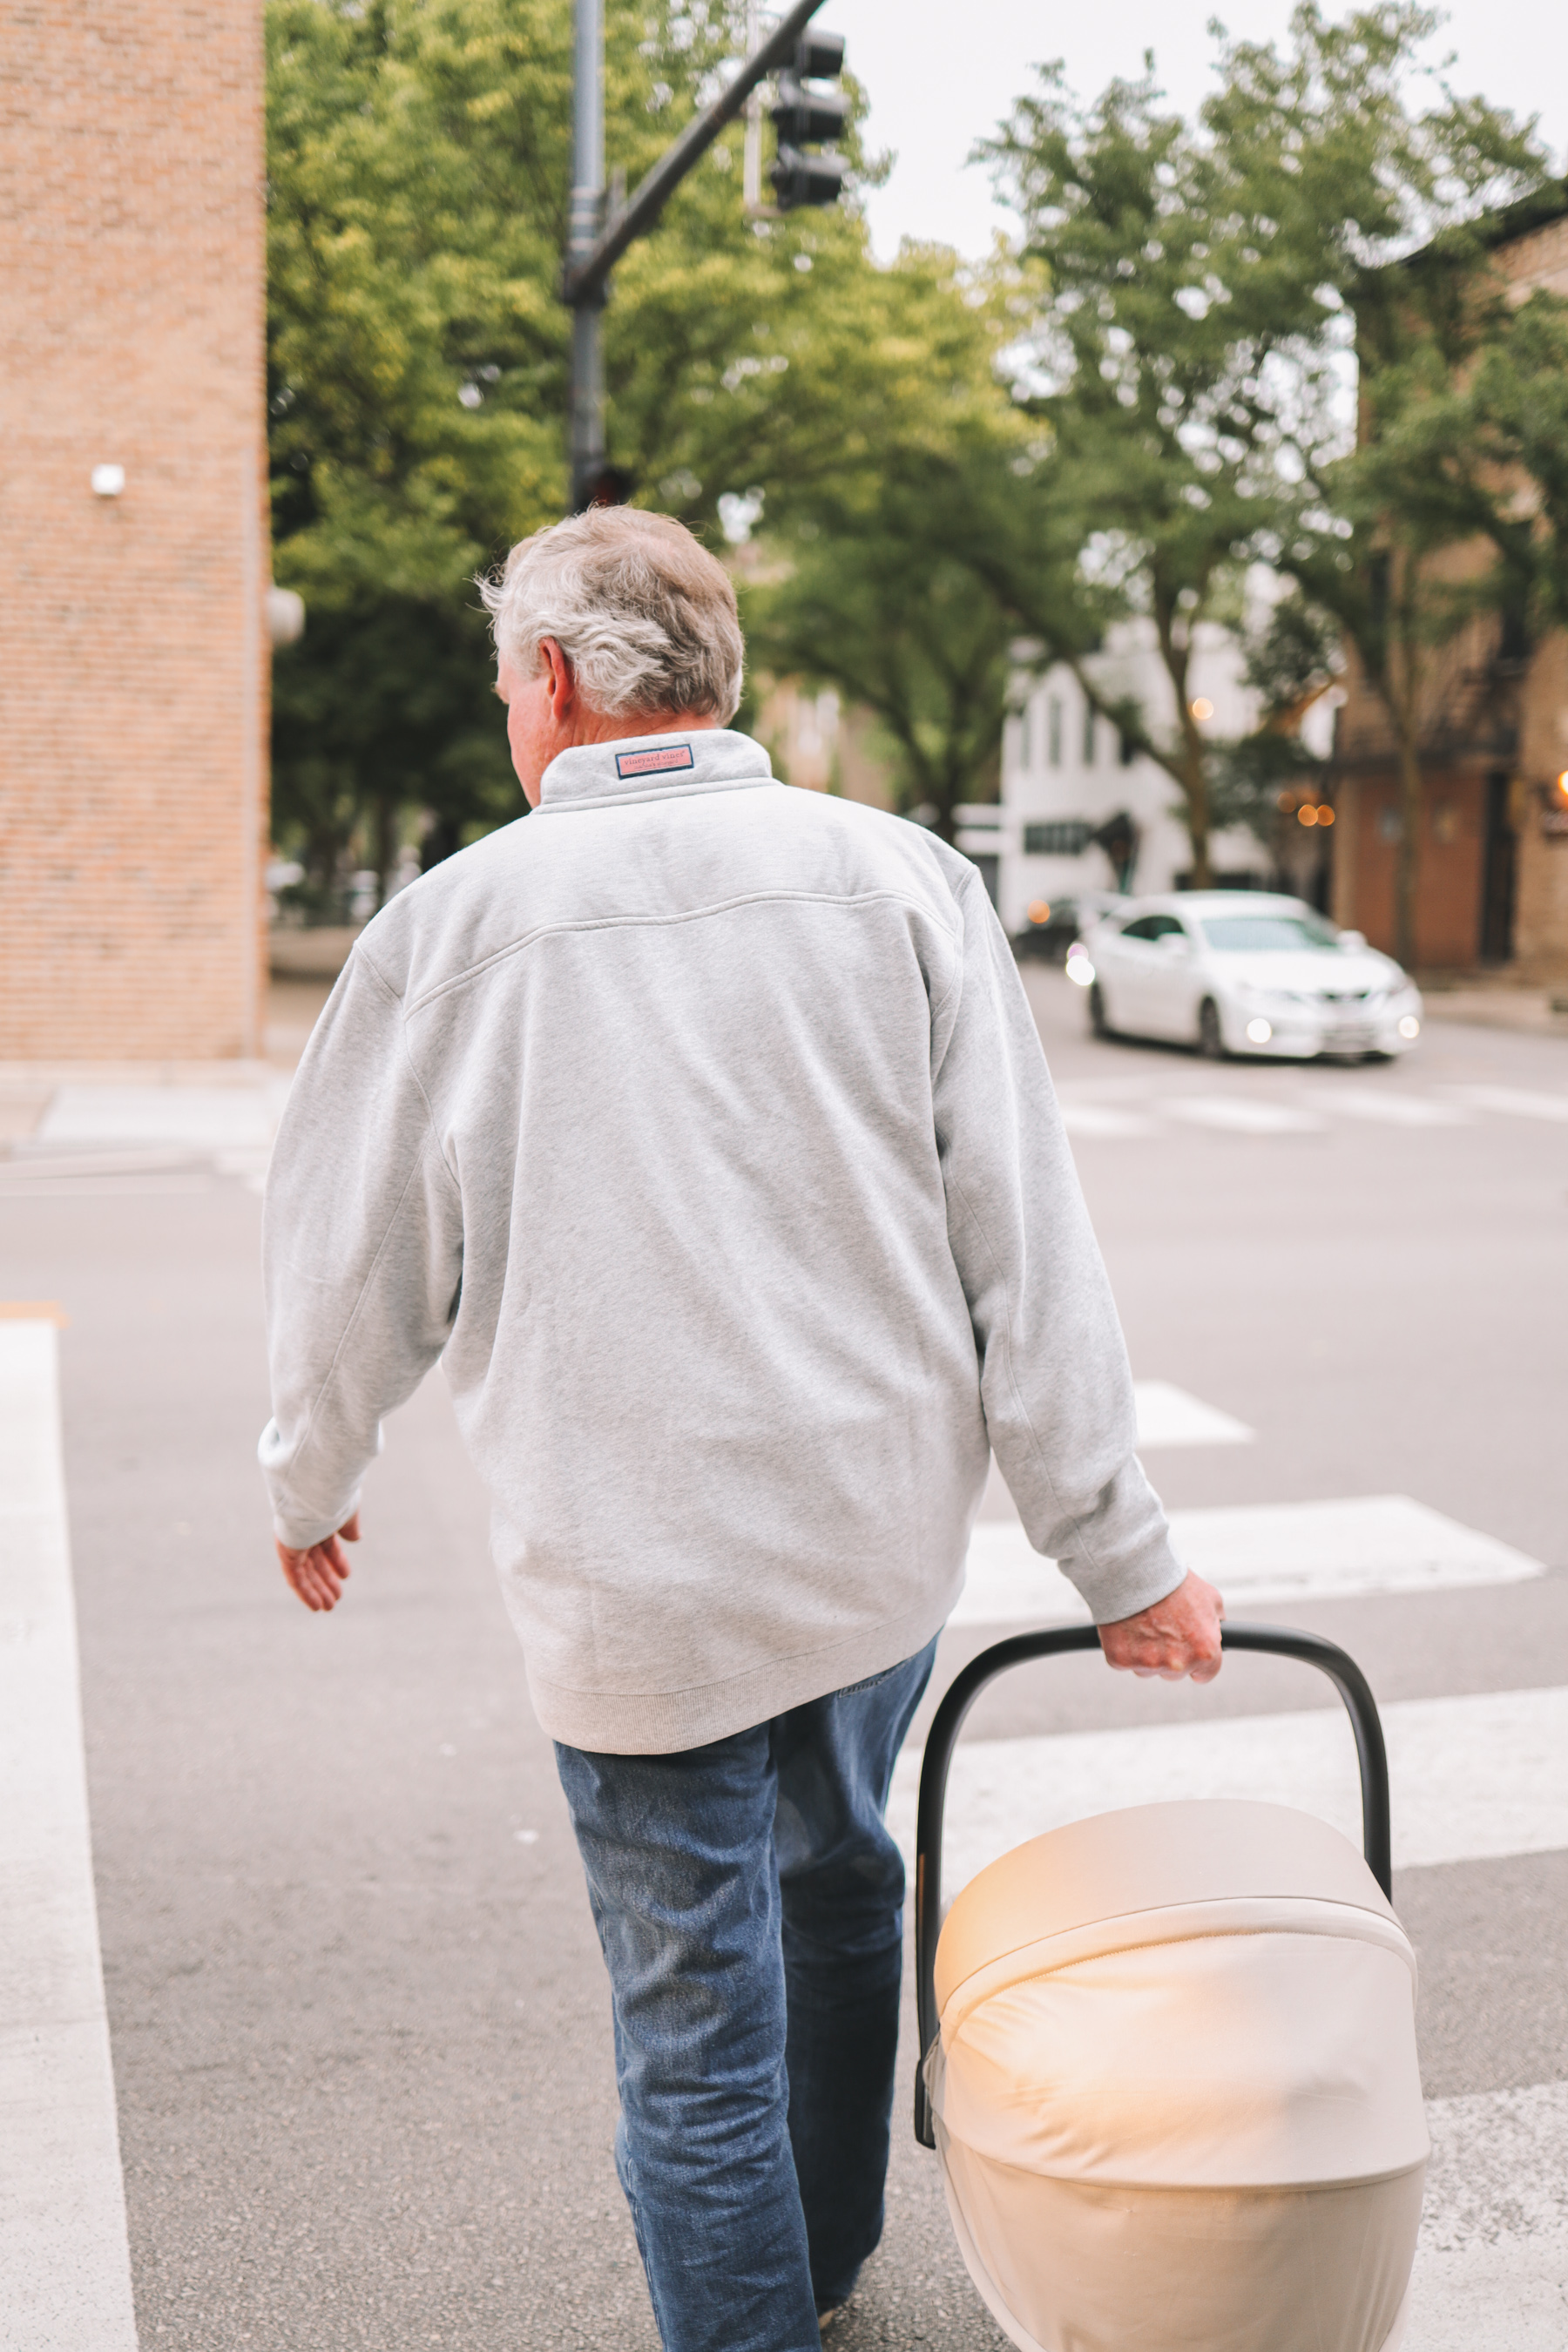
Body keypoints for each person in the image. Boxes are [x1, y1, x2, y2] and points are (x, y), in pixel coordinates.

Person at [259, 506, 1224, 2352]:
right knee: (843, 1869)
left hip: (638, 1590)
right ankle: (832, 2243)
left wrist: (311, 1475)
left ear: (551, 682)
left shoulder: (448, 932)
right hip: (869, 1554)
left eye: (504, 688)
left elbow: (350, 1271)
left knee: (694, 2013)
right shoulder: (902, 882)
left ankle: (768, 2297)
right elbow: (1028, 1253)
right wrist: (1125, 1557)